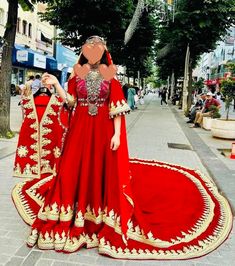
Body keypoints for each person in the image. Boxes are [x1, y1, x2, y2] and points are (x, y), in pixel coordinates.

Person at [12, 36, 232, 260]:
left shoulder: (110, 76)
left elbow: (115, 107)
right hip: (79, 131)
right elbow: (70, 102)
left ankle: (97, 214)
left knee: (100, 170)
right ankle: (75, 213)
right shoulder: (76, 76)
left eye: (98, 48)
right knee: (72, 170)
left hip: (103, 131)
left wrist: (117, 134)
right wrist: (57, 85)